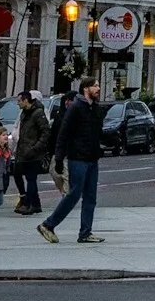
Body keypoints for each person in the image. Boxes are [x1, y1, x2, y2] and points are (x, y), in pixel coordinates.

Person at [39, 77, 105, 245]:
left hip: (92, 158)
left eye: (98, 85)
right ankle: (48, 224)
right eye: (95, 86)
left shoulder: (96, 109)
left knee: (90, 197)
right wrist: (59, 157)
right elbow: (63, 134)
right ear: (85, 89)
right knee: (74, 193)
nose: (98, 88)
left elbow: (97, 133)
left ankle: (85, 232)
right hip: (78, 158)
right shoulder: (75, 108)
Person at [11, 87, 52, 215]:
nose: (17, 103)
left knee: (31, 179)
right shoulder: (24, 113)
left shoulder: (38, 113)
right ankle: (35, 204)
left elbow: (45, 132)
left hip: (33, 153)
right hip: (23, 151)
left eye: (19, 101)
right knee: (19, 174)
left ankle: (28, 204)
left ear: (26, 100)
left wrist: (36, 147)